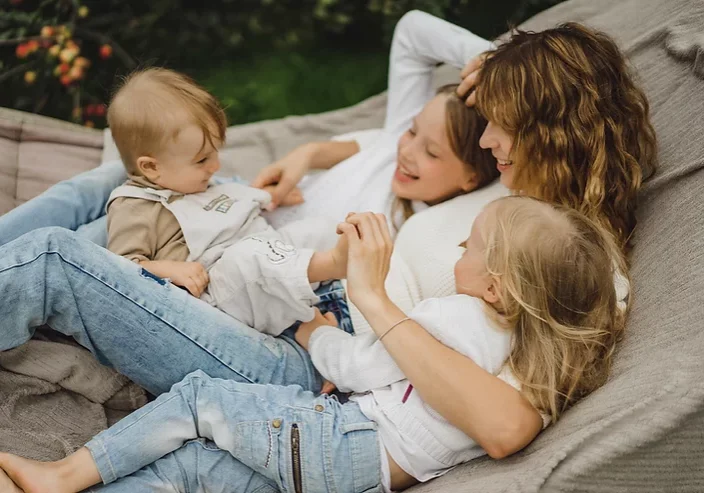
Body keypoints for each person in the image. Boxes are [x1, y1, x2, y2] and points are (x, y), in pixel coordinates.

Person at [0, 8, 655, 481]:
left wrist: (372, 302)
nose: (484, 141)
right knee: (124, 177)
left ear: (551, 131)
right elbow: (418, 57)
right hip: (300, 292)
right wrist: (503, 61)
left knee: (61, 255)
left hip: (313, 362)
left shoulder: (570, 259)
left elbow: (505, 424)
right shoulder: (510, 188)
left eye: (502, 126)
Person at [0, 196, 625, 493]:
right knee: (187, 470)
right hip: (348, 423)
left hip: (337, 395)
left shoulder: (467, 316)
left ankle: (62, 475)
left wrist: (346, 313)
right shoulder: (541, 318)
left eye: (473, 245)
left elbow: (374, 371)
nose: (460, 247)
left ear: (501, 287)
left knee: (61, 255)